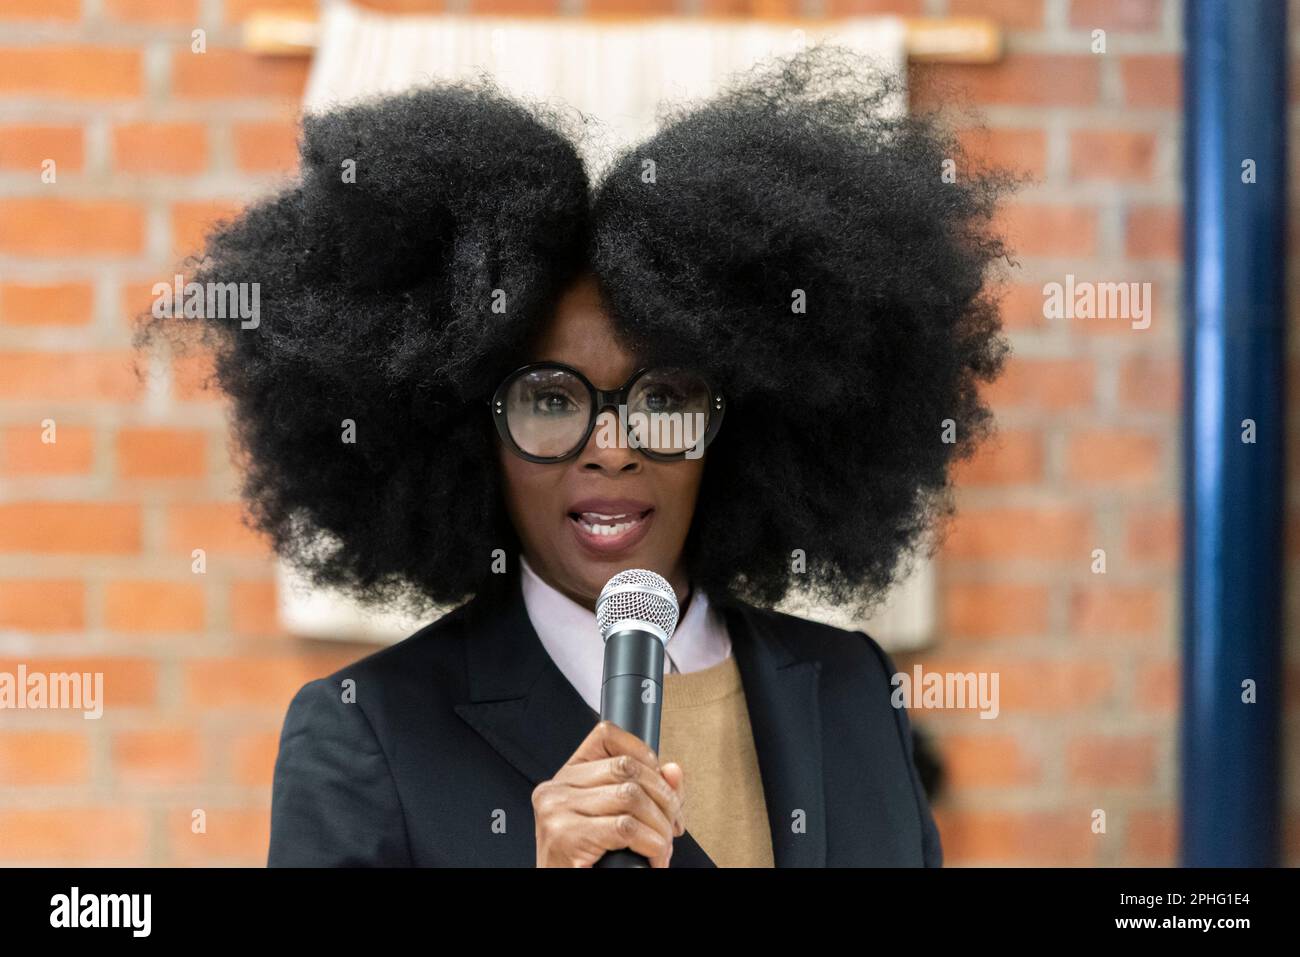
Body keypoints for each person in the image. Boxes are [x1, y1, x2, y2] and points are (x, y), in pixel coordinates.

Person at [140, 43, 1013, 867]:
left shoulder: (853, 690)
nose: (613, 447)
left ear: (736, 425)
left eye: (662, 399)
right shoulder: (368, 732)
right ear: (466, 428)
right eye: (550, 400)